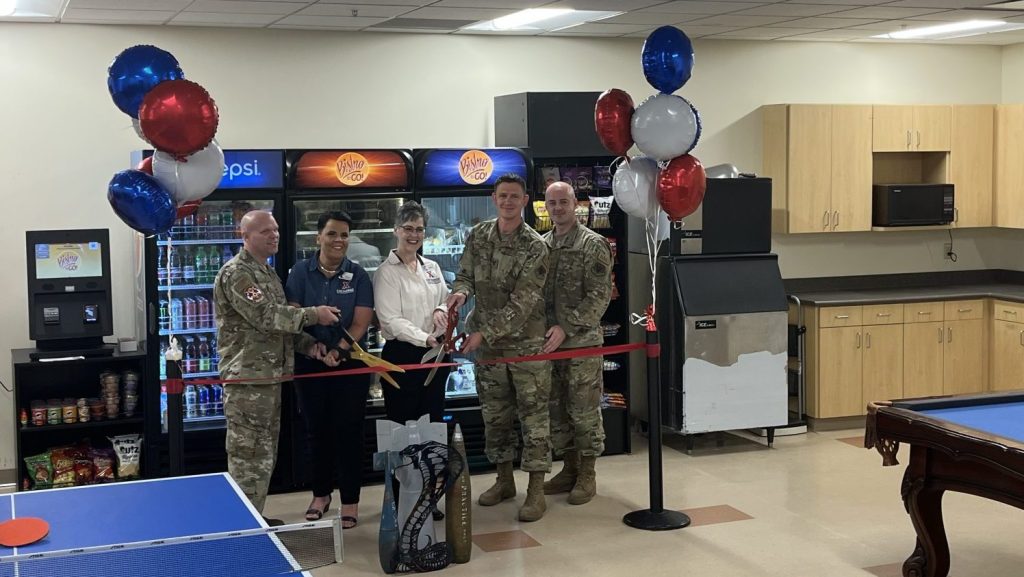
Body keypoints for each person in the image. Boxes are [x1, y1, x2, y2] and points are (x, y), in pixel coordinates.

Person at [213, 210, 340, 525]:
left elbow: (279, 326)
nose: (274, 236)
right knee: (247, 457)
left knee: (262, 455)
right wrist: (315, 315)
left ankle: (253, 519)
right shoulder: (236, 274)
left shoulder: (267, 274)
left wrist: (309, 345)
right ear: (245, 236)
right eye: (265, 231)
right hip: (248, 381)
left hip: (269, 379)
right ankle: (240, 525)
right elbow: (266, 316)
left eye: (276, 229)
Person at [447, 173, 551, 522]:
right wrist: (460, 293)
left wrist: (482, 334)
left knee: (533, 419)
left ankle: (536, 490)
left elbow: (522, 304)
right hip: (489, 352)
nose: (508, 202)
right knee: (495, 416)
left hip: (526, 348)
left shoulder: (536, 246)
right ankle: (504, 479)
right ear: (494, 199)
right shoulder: (479, 236)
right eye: (502, 196)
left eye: (514, 197)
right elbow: (464, 275)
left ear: (525, 201)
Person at [285, 211, 374, 529]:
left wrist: (339, 350)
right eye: (333, 234)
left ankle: (350, 501)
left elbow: (362, 320)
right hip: (310, 363)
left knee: (350, 433)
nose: (339, 240)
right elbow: (293, 314)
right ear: (318, 237)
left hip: (349, 365)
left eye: (345, 235)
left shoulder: (359, 275)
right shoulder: (299, 272)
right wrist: (311, 346)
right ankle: (320, 495)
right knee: (316, 432)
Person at [539, 182, 613, 505]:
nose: (558, 208)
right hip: (549, 347)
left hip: (581, 344)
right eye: (552, 203)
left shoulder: (593, 244)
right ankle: (568, 468)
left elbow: (600, 298)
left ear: (575, 204)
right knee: (557, 410)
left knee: (583, 411)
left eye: (563, 202)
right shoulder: (542, 245)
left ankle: (587, 473)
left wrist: (565, 328)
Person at [373, 201, 451, 424]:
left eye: (419, 229)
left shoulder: (432, 267)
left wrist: (440, 309)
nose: (413, 235)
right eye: (408, 228)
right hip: (403, 355)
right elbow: (390, 321)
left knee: (434, 420)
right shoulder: (386, 273)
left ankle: (432, 461)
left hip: (436, 354)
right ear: (396, 230)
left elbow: (447, 299)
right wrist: (424, 338)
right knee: (404, 423)